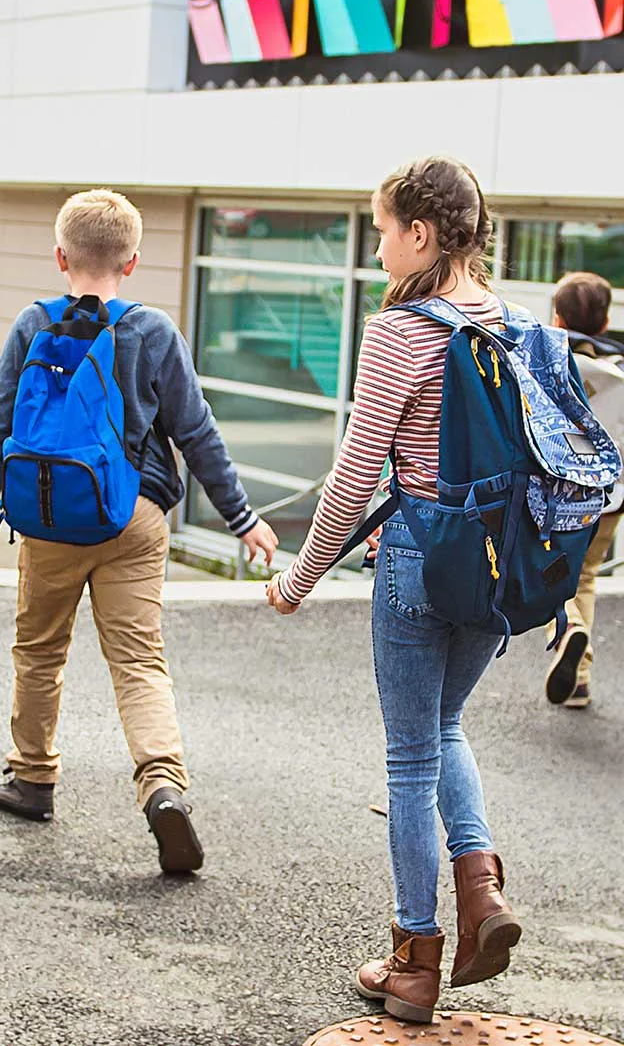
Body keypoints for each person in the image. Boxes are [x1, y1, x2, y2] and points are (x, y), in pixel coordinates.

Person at [265, 157, 522, 1022]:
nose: (375, 245)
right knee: (447, 726)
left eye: (381, 227)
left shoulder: (401, 333)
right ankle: (482, 895)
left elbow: (351, 480)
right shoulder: (510, 323)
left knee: (411, 757)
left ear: (420, 233)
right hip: (494, 563)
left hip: (419, 556)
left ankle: (414, 962)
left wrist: (299, 578)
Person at [0, 188, 278, 874]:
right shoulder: (152, 330)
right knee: (138, 661)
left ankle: (33, 778)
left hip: (48, 518)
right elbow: (196, 433)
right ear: (131, 262)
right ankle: (162, 784)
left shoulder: (29, 324)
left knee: (40, 651)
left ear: (61, 256)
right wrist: (243, 519)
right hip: (133, 515)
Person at [547, 271, 624, 709]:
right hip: (612, 496)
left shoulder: (550, 363)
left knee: (550, 571)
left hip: (558, 495)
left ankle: (567, 628)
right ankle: (578, 680)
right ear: (606, 320)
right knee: (586, 575)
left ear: (558, 319)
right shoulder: (619, 369)